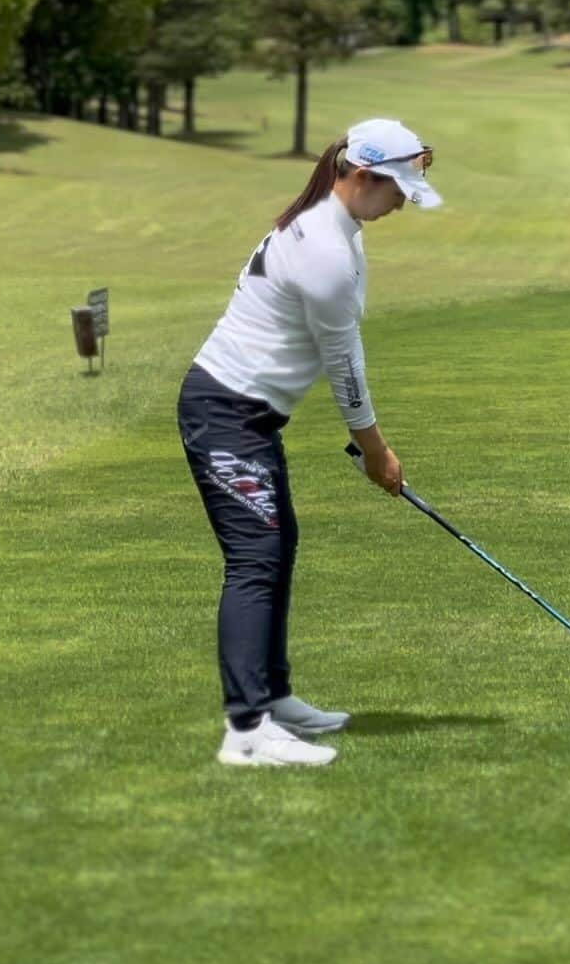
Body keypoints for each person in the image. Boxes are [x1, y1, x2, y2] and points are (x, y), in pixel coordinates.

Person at [177, 117, 441, 768]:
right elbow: (345, 372)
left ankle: (274, 697)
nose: (403, 201)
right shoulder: (324, 248)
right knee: (255, 560)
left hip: (245, 417)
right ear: (358, 176)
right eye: (397, 188)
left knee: (275, 544)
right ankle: (246, 731)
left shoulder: (329, 227)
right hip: (225, 414)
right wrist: (377, 452)